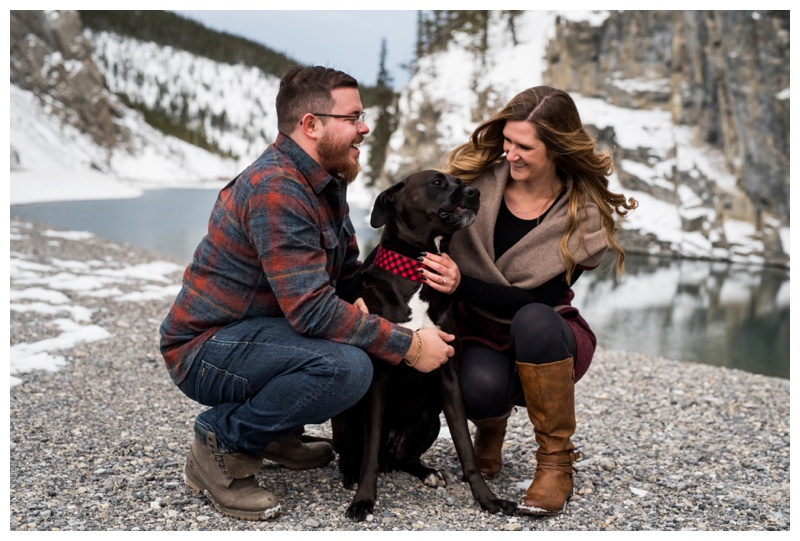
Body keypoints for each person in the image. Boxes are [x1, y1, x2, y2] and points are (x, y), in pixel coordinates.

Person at [159, 66, 455, 521]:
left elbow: (350, 275)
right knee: (347, 367)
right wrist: (409, 345)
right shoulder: (278, 188)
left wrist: (437, 275)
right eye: (352, 116)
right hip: (206, 349)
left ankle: (273, 434)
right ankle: (221, 444)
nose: (364, 127)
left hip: (259, 336)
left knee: (353, 343)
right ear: (311, 125)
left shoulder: (325, 182)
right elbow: (313, 312)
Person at [418, 86, 637, 516]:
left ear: (555, 148)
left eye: (524, 146)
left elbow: (535, 299)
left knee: (535, 318)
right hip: (476, 329)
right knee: (477, 391)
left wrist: (462, 284)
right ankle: (492, 425)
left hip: (544, 334)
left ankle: (556, 463)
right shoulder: (476, 183)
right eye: (507, 141)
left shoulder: (582, 213)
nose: (510, 154)